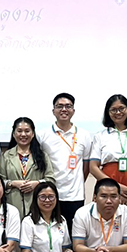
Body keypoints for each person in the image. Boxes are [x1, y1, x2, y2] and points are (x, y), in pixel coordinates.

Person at [38, 93, 93, 231]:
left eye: (68, 106)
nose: (64, 109)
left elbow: (86, 167)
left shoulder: (84, 135)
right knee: (50, 231)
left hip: (75, 195)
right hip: (50, 194)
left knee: (73, 232)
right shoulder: (42, 135)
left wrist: (77, 183)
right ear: (53, 111)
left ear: (73, 110)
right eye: (59, 106)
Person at [88, 94, 127, 212]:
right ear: (108, 112)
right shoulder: (100, 136)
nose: (118, 113)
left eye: (121, 108)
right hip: (107, 182)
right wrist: (116, 187)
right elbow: (93, 167)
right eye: (113, 110)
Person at [0, 117, 55, 219]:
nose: (23, 134)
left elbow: (51, 179)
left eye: (27, 131)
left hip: (37, 207)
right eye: (19, 131)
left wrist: (37, 183)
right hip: (12, 206)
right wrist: (13, 183)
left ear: (32, 134)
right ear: (14, 134)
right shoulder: (5, 156)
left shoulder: (42, 156)